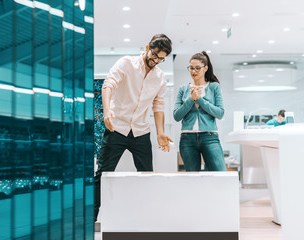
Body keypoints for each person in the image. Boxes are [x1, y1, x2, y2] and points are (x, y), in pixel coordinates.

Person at [94, 34, 173, 221]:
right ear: (147, 47)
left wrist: (161, 132)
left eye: (161, 59)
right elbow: (108, 85)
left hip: (140, 132)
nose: (156, 61)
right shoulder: (126, 63)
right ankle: (90, 220)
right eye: (154, 55)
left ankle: (146, 217)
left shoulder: (160, 78)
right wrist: (106, 112)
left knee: (146, 175)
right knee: (102, 174)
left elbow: (158, 105)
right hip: (116, 128)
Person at [173, 51, 226, 172]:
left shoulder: (214, 87)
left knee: (220, 174)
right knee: (192, 179)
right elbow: (176, 116)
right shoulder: (183, 89)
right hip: (187, 139)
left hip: (210, 137)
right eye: (191, 68)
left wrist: (200, 100)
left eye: (197, 68)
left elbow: (220, 113)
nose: (193, 71)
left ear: (205, 68)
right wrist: (191, 100)